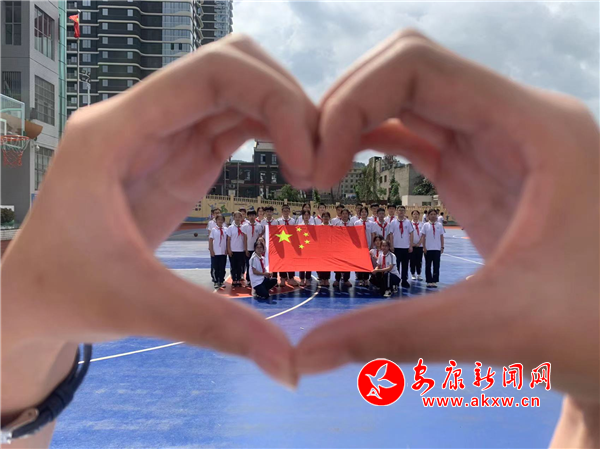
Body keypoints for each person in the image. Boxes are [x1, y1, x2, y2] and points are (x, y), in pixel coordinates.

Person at [2, 31, 598, 449]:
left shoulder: (385, 224)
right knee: (247, 268)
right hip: (243, 257)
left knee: (402, 265)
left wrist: (18, 342)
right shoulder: (250, 227)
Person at [388, 205, 414, 288]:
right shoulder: (393, 222)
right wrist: (391, 245)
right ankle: (397, 280)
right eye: (399, 210)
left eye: (403, 210)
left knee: (405, 265)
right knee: (396, 265)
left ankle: (404, 280)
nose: (401, 212)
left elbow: (411, 233)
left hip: (405, 247)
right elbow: (391, 234)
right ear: (397, 211)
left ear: (405, 212)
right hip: (396, 247)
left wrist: (411, 245)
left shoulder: (408, 222)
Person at [419, 209, 445, 288]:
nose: (433, 216)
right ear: (428, 216)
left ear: (436, 215)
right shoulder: (425, 225)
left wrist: (442, 246)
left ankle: (435, 280)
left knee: (436, 265)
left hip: (437, 248)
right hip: (428, 248)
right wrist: (424, 247)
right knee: (428, 265)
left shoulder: (439, 225)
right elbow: (423, 237)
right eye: (431, 214)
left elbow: (441, 236)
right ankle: (429, 280)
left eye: (434, 214)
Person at [276, 205, 298, 287]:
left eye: (287, 211)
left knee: (291, 261)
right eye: (284, 211)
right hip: (281, 244)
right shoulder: (278, 221)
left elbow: (296, 232)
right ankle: (283, 277)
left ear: (289, 212)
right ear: (282, 212)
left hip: (291, 245)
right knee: (282, 261)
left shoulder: (293, 221)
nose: (286, 212)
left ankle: (291, 277)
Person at [242, 210, 264, 288]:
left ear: (255, 216)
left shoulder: (259, 226)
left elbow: (260, 237)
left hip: (256, 250)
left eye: (253, 215)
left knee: (257, 265)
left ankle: (258, 279)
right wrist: (246, 249)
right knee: (249, 265)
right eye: (250, 215)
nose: (251, 217)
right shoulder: (245, 226)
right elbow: (245, 239)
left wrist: (260, 249)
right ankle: (248, 279)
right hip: (248, 249)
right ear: (248, 216)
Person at [226, 211, 248, 288]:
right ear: (234, 218)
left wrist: (245, 249)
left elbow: (245, 239)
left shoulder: (243, 227)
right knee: (233, 266)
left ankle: (238, 279)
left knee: (240, 266)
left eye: (239, 217)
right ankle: (234, 279)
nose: (238, 219)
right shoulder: (230, 228)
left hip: (241, 250)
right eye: (236, 217)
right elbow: (228, 239)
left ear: (241, 218)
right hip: (233, 250)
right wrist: (229, 249)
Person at [333, 208, 353, 288]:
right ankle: (337, 279)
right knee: (338, 263)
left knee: (347, 263)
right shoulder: (337, 224)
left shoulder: (352, 224)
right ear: (340, 215)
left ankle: (346, 279)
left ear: (348, 215)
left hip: (348, 247)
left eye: (346, 214)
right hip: (339, 247)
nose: (344, 215)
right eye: (343, 214)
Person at [354, 207, 372, 286]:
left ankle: (366, 279)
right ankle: (360, 279)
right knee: (360, 263)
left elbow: (373, 235)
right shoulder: (356, 223)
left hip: (368, 245)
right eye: (362, 212)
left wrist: (371, 245)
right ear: (360, 213)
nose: (364, 213)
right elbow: (354, 235)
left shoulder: (371, 223)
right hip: (360, 247)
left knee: (367, 263)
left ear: (367, 213)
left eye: (365, 212)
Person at [208, 214, 227, 289]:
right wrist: (211, 250)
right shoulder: (214, 230)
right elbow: (210, 240)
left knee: (222, 267)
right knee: (215, 267)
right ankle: (215, 281)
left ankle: (221, 281)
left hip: (223, 252)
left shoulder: (226, 229)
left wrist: (227, 249)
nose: (220, 221)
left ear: (223, 221)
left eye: (221, 219)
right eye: (219, 219)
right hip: (215, 252)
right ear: (216, 221)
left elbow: (227, 240)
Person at [297, 210, 313, 287]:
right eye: (305, 215)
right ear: (302, 216)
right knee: (302, 263)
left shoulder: (312, 226)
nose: (306, 216)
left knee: (309, 263)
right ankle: (302, 279)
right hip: (302, 247)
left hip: (309, 247)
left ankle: (308, 278)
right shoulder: (299, 226)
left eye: (307, 215)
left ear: (309, 216)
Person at [317, 211, 332, 286]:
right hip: (320, 249)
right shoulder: (318, 227)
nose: (325, 218)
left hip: (329, 248)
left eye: (327, 216)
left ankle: (326, 279)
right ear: (322, 218)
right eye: (324, 216)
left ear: (329, 218)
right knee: (320, 264)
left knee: (328, 264)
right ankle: (321, 279)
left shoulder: (332, 227)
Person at [410, 210, 424, 281]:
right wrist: (411, 243)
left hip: (420, 246)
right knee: (412, 260)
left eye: (417, 214)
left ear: (419, 215)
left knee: (419, 260)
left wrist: (419, 243)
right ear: (412, 215)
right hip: (412, 245)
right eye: (414, 214)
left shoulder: (422, 224)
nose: (415, 216)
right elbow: (408, 234)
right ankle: (413, 274)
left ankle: (419, 273)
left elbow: (423, 235)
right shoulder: (409, 224)